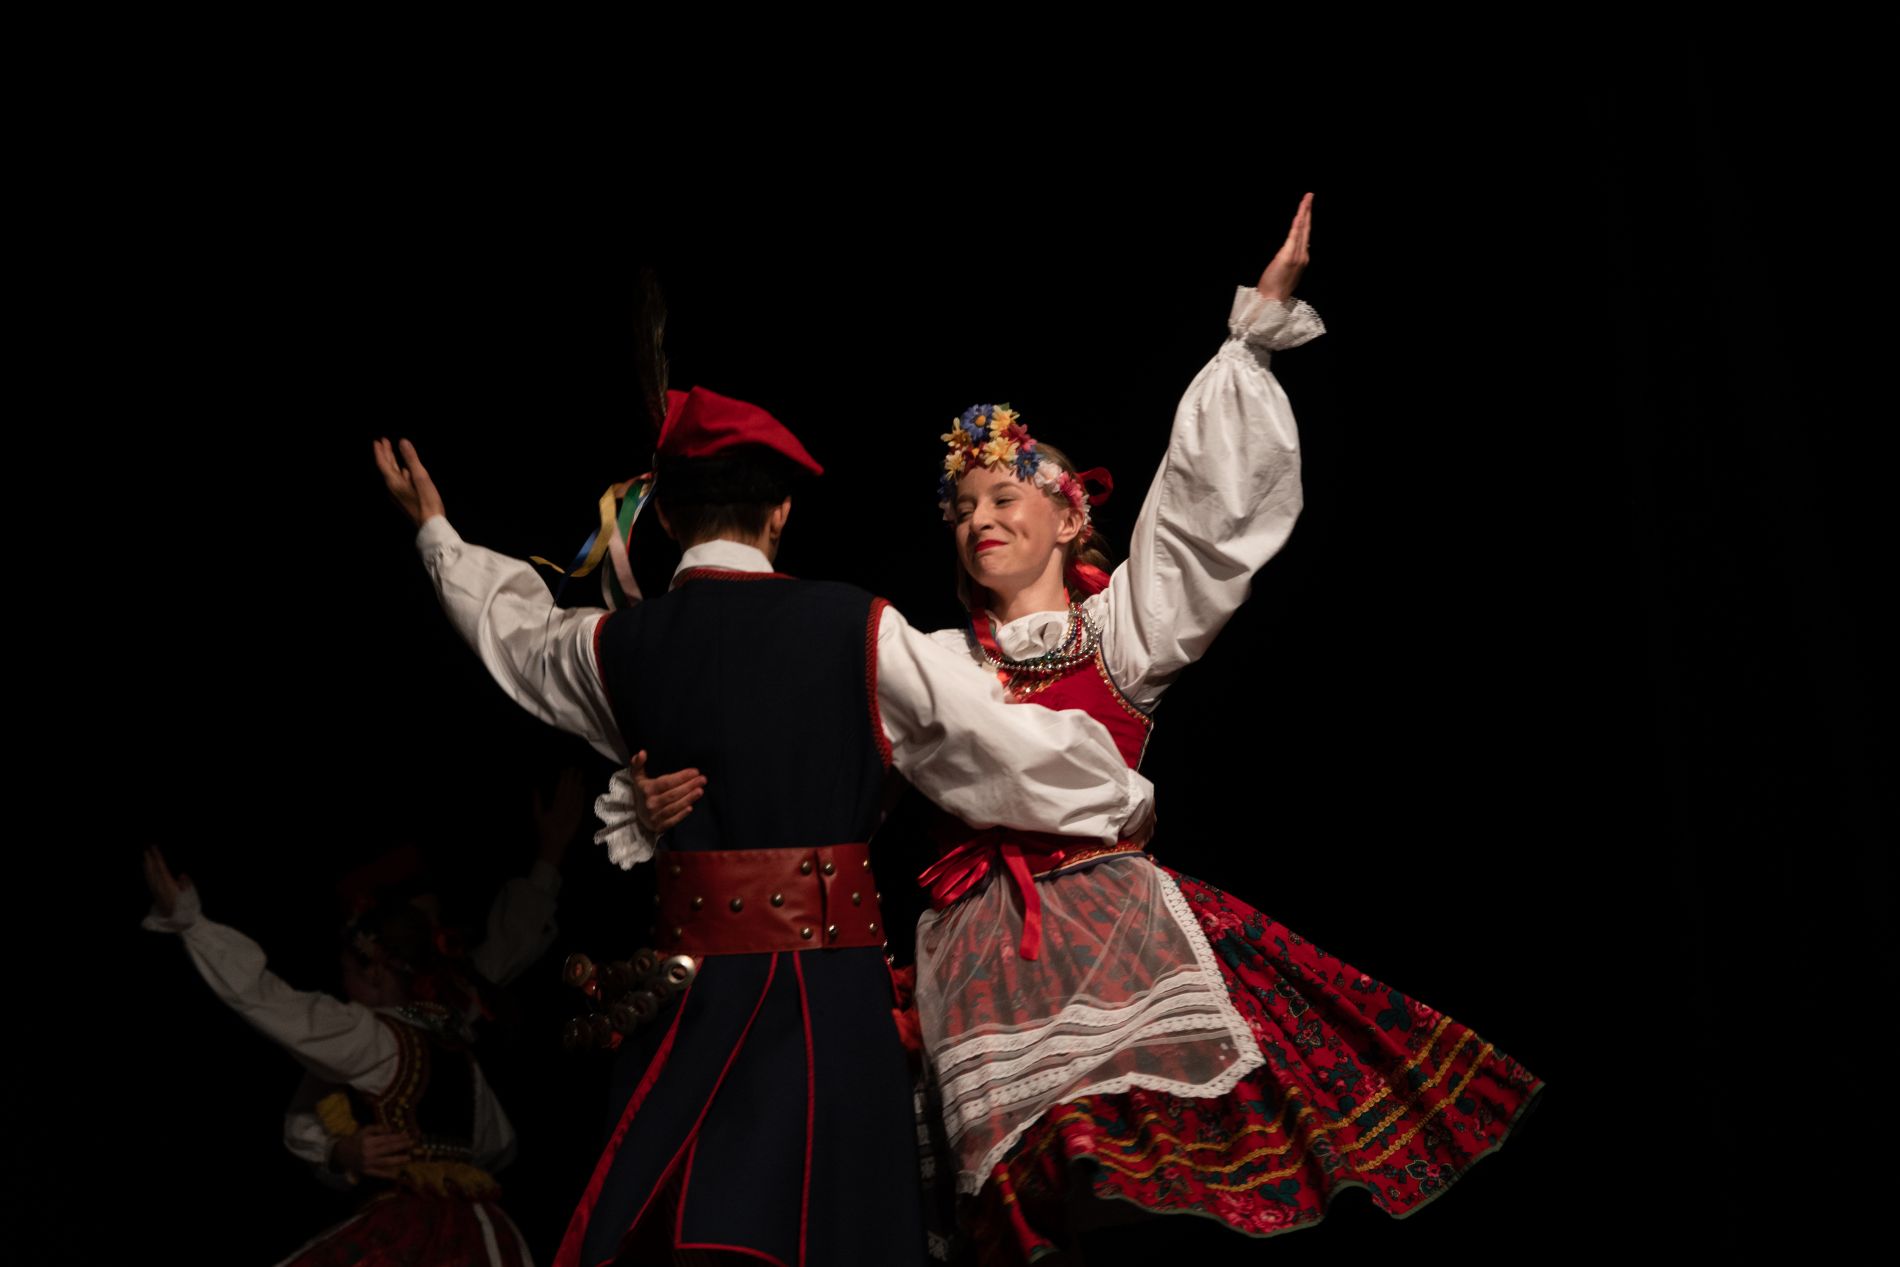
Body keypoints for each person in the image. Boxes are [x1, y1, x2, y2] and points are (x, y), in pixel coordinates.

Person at [625, 196, 1546, 1262]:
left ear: (1070, 515)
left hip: (1114, 937)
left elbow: (1200, 520)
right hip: (975, 959)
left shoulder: (1117, 633)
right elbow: (809, 762)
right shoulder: (929, 660)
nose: (980, 516)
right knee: (1028, 1220)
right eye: (963, 506)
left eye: (1005, 494)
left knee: (1139, 1190)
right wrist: (673, 794)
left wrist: (1251, 335)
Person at [373, 390, 1157, 1267]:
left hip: (691, 994)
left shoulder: (612, 645)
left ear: (665, 516)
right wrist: (1119, 796)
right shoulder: (859, 628)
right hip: (831, 996)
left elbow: (512, 631)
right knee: (840, 1229)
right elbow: (997, 747)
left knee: (687, 1218)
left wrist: (437, 535)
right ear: (781, 510)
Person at [139, 846, 533, 1266]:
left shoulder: (374, 1035)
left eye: (346, 971)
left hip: (414, 1232)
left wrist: (192, 924)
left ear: (375, 970)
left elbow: (269, 1000)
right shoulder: (454, 1043)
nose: (344, 987)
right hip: (483, 1232)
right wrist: (343, 1151)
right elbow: (498, 1144)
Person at [284, 772, 581, 1189]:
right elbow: (304, 1116)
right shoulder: (358, 1028)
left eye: (436, 924)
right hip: (386, 1197)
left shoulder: (449, 998)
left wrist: (550, 855)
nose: (437, 939)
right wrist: (341, 1150)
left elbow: (510, 943)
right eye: (422, 929)